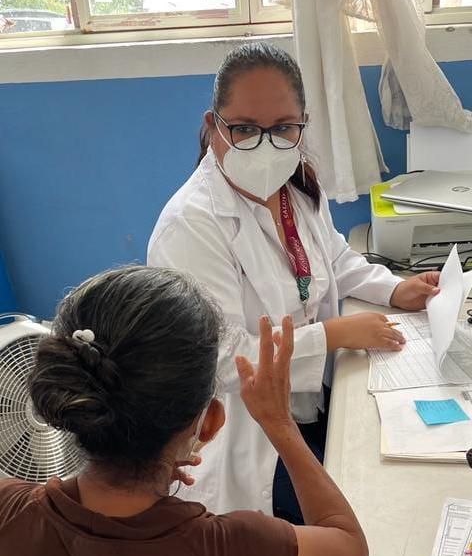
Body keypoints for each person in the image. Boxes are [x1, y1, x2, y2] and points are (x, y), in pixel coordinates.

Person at [0, 266, 367, 556]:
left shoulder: (9, 512)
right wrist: (279, 423)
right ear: (209, 423)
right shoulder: (234, 553)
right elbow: (348, 547)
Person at [147, 42, 440, 521]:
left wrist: (393, 288)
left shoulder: (296, 190)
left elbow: (334, 258)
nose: (265, 146)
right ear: (213, 127)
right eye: (244, 129)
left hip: (306, 403)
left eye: (283, 128)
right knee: (359, 513)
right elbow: (221, 359)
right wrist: (332, 335)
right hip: (245, 435)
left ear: (303, 123)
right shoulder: (191, 225)